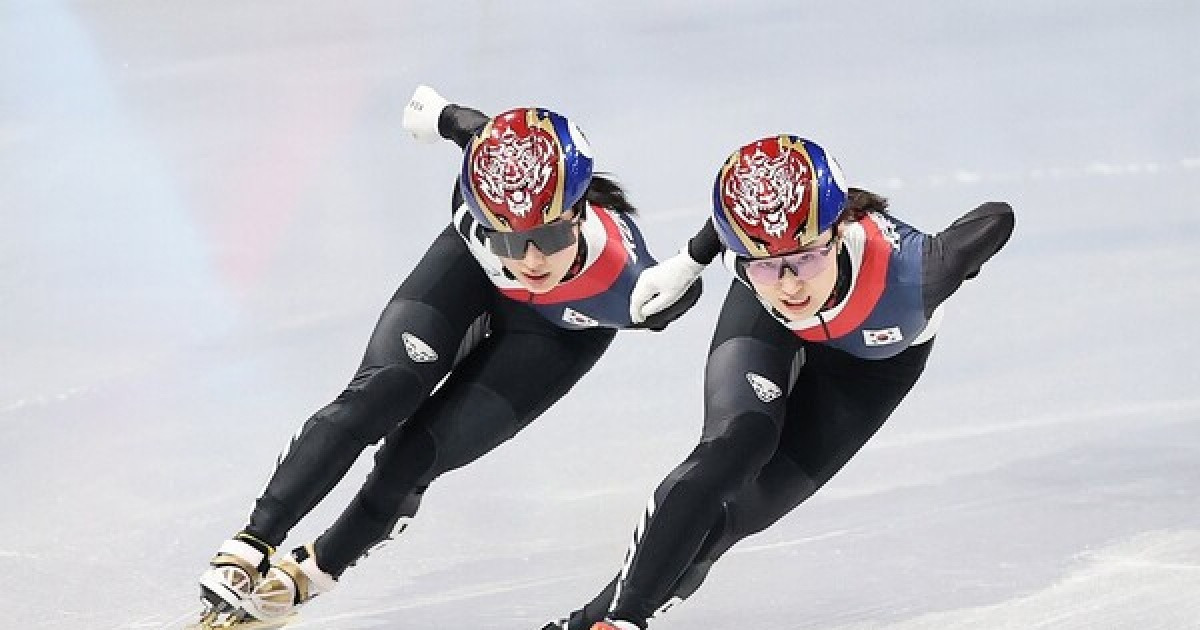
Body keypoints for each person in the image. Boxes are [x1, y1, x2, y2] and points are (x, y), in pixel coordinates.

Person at [193, 85, 702, 628]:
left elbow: (680, 295)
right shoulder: (481, 185)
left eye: (548, 236)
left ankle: (311, 574)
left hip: (556, 336)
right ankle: (252, 543)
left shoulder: (625, 282)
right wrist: (437, 113)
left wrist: (682, 284)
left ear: (578, 213)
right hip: (468, 277)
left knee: (412, 458)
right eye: (505, 238)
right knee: (381, 393)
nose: (529, 258)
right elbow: (471, 128)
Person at [544, 135, 1015, 630]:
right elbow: (729, 226)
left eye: (807, 260)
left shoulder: (913, 273)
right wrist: (689, 261)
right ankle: (620, 622)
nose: (790, 285)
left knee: (739, 516)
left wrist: (959, 260)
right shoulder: (746, 258)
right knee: (736, 445)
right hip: (767, 326)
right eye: (767, 267)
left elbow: (997, 216)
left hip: (869, 369)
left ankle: (585, 624)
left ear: (839, 230)